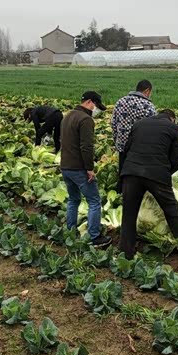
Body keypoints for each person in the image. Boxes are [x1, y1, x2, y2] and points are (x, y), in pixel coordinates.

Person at [119, 110, 178, 258]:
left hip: (131, 172)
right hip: (157, 173)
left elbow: (126, 149)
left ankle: (126, 251)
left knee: (129, 213)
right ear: (172, 119)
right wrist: (166, 172)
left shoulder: (139, 124)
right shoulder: (174, 128)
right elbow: (176, 160)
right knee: (171, 208)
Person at [60, 91, 112, 248]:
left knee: (73, 199)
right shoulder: (85, 119)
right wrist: (89, 168)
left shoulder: (68, 115)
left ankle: (70, 232)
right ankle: (94, 237)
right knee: (94, 201)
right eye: (96, 106)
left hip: (65, 166)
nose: (96, 110)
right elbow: (86, 146)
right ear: (90, 102)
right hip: (79, 168)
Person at [111, 80, 156, 192]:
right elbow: (153, 128)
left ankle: (120, 193)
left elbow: (113, 123)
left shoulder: (121, 102)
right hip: (139, 148)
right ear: (147, 91)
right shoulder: (147, 106)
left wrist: (117, 141)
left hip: (122, 145)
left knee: (123, 172)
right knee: (136, 175)